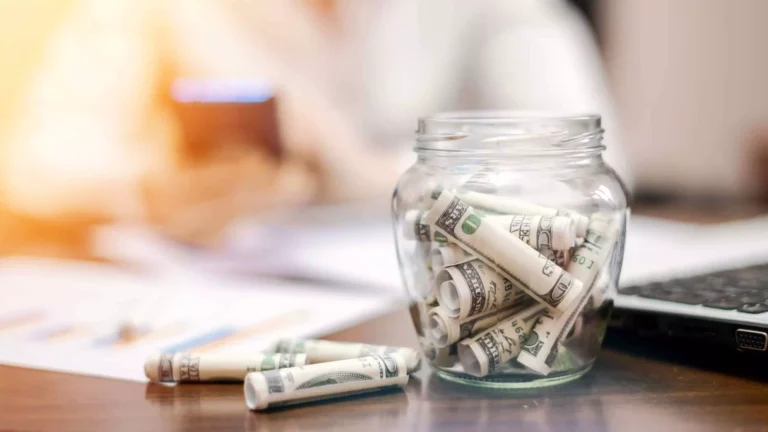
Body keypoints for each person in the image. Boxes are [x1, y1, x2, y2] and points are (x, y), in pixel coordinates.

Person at [3, 0, 628, 246]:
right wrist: (153, 189)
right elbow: (32, 163)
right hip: (222, 276)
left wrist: (364, 174)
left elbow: (596, 159)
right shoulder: (157, 12)